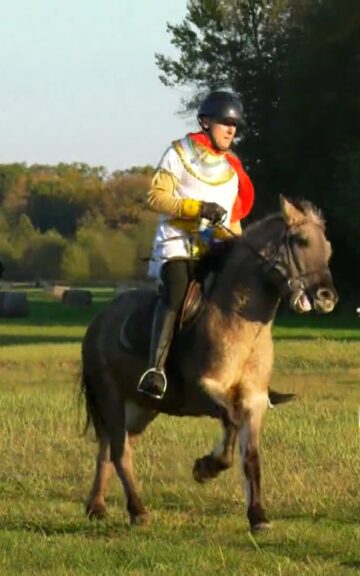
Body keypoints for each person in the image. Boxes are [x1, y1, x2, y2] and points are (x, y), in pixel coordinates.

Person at [137, 91, 256, 400]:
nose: (231, 130)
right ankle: (155, 370)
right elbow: (155, 197)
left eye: (235, 125)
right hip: (177, 242)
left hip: (212, 248)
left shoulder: (232, 170)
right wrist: (197, 208)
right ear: (205, 122)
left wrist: (242, 250)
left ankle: (250, 374)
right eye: (224, 123)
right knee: (175, 292)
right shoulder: (178, 153)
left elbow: (232, 222)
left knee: (241, 295)